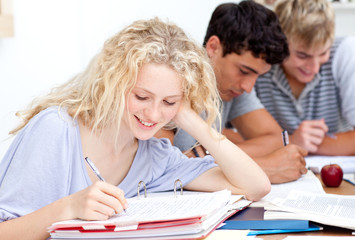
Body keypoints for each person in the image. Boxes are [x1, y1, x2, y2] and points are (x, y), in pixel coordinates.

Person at [0, 18, 270, 240]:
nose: (153, 114)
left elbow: (256, 186)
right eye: (141, 97)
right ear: (113, 83)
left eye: (169, 101)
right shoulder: (56, 129)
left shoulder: (153, 155)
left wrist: (189, 117)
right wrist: (68, 207)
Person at [158, 1, 308, 184]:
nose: (248, 87)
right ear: (213, 47)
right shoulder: (171, 80)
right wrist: (262, 168)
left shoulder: (232, 87)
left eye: (257, 76)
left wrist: (206, 153)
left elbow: (275, 140)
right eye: (244, 71)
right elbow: (158, 166)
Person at [255, 0, 355, 155]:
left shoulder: (345, 52)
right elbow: (224, 134)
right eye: (303, 55)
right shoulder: (261, 63)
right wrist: (293, 140)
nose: (315, 67)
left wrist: (299, 143)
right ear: (279, 44)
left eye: (323, 53)